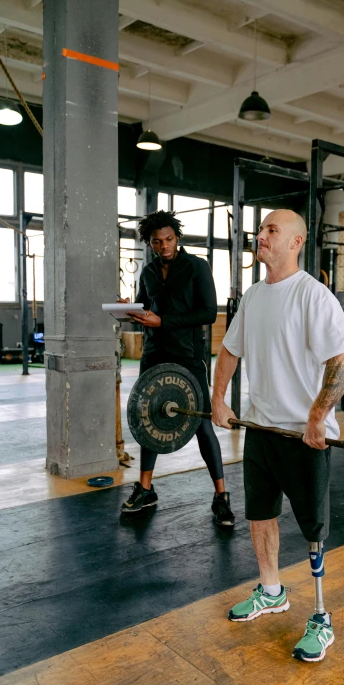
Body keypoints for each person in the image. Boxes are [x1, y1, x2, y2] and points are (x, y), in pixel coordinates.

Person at [212, 209, 344, 662]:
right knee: (260, 514)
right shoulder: (253, 298)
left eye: (271, 231)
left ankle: (320, 615)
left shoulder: (313, 297)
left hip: (303, 437)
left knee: (313, 527)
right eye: (261, 230)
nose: (261, 236)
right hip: (260, 427)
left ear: (295, 243)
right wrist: (219, 399)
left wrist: (318, 416)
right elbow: (229, 349)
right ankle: (272, 591)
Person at [121, 210, 235, 527]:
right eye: (157, 242)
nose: (164, 246)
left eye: (169, 239)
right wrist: (131, 310)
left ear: (177, 238)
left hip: (188, 356)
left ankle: (221, 496)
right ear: (150, 243)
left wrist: (163, 321)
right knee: (148, 419)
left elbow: (209, 313)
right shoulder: (148, 272)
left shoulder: (197, 267)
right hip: (154, 354)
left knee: (201, 424)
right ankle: (145, 489)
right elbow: (146, 307)